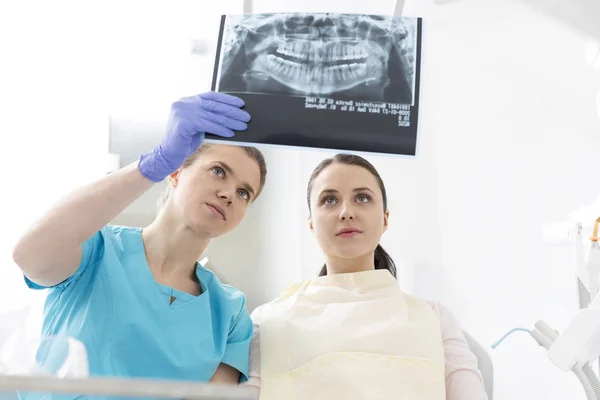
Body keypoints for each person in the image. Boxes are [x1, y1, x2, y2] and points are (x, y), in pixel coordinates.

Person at [12, 91, 268, 385]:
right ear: (175, 173)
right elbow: (29, 255)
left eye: (244, 193)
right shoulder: (97, 250)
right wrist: (153, 163)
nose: (228, 195)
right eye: (218, 171)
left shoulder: (230, 313)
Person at [244, 153, 488, 400]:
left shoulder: (435, 319)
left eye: (362, 198)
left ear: (385, 219)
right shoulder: (267, 321)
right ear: (311, 224)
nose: (346, 212)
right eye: (329, 200)